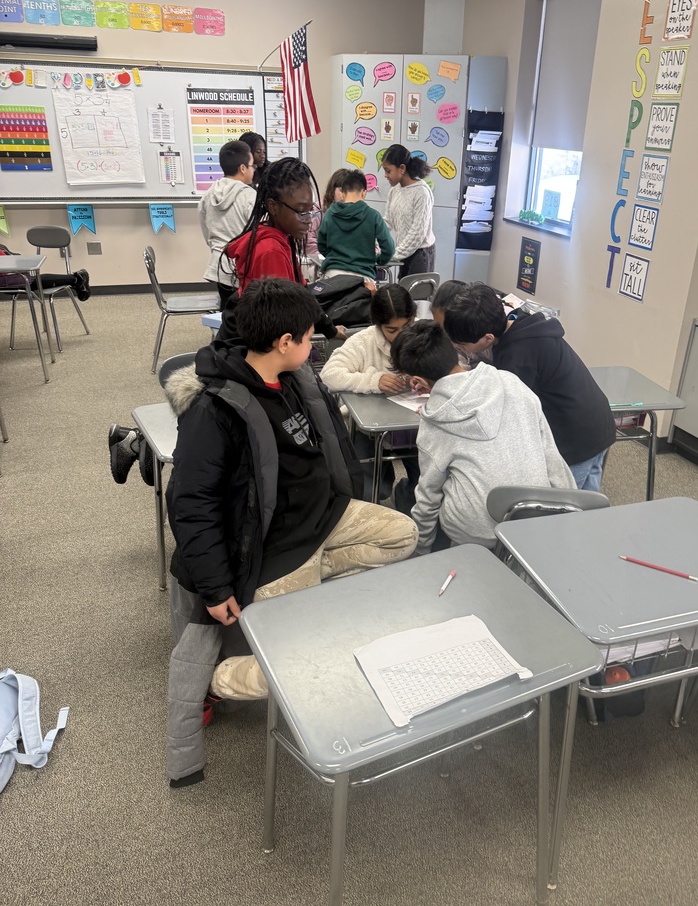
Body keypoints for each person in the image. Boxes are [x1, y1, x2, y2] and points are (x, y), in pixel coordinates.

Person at [164, 278, 418, 784]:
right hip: (275, 548)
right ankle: (216, 680)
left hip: (324, 518)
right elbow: (191, 504)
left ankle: (315, 576)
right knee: (300, 672)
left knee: (403, 535)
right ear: (284, 343)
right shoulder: (214, 412)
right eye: (308, 337)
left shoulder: (296, 378)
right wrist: (216, 588)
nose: (314, 345)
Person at [390, 320, 575, 555]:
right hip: (533, 519)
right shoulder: (511, 382)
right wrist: (567, 517)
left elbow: (428, 496)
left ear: (419, 381)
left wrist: (421, 553)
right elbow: (552, 457)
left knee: (426, 495)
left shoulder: (434, 421)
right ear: (454, 351)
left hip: (476, 533)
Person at [443, 283, 616, 491]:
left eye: (462, 345)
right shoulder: (518, 318)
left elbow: (506, 415)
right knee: (588, 507)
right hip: (597, 421)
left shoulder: (517, 357)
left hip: (575, 438)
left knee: (565, 510)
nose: (459, 348)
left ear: (488, 338)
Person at [218, 156, 344, 341]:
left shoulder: (282, 238)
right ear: (273, 206)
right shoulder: (270, 251)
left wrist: (328, 328)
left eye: (310, 210)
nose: (309, 219)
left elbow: (301, 294)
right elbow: (278, 324)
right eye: (301, 211)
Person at [320, 283, 418, 504]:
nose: (400, 335)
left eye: (407, 326)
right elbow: (329, 375)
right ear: (378, 325)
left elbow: (450, 368)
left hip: (415, 424)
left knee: (426, 478)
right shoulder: (363, 341)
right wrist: (374, 381)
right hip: (371, 428)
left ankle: (411, 494)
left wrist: (427, 379)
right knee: (373, 489)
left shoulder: (422, 333)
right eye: (392, 330)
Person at [199, 140, 256, 307]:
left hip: (219, 265)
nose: (253, 170)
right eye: (252, 165)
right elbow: (258, 232)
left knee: (227, 312)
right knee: (248, 316)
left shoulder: (208, 194)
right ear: (243, 168)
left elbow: (206, 230)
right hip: (243, 267)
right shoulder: (249, 196)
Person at [317, 168, 394, 281]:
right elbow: (389, 248)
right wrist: (378, 260)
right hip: (363, 277)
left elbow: (321, 244)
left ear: (342, 193)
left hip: (333, 275)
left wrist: (333, 257)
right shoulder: (373, 216)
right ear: (364, 193)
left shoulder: (330, 214)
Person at [381, 144, 435, 279]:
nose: (385, 175)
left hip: (420, 254)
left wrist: (393, 255)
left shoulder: (421, 192)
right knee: (403, 297)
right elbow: (387, 221)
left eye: (388, 171)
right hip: (404, 251)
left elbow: (417, 233)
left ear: (402, 168)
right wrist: (373, 241)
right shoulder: (394, 190)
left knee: (417, 299)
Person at [305, 167, 347, 261]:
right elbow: (308, 241)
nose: (345, 195)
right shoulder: (318, 209)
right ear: (333, 189)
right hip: (322, 261)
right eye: (341, 190)